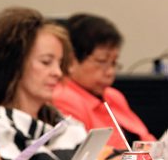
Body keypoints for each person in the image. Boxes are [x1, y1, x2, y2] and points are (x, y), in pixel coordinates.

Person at [0, 7, 87, 160]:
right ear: (14, 64)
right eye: (46, 62)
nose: (57, 72)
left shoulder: (63, 123)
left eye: (59, 63)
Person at [52, 14, 156, 152]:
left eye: (114, 63)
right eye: (102, 61)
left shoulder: (113, 96)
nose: (110, 72)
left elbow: (148, 141)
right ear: (71, 61)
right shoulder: (62, 97)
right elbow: (90, 157)